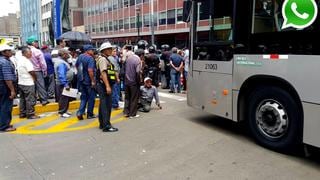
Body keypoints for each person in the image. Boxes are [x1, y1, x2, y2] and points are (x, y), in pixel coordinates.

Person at [96, 42, 118, 132]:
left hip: (103, 85)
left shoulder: (105, 59)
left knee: (103, 105)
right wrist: (107, 86)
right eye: (109, 49)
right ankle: (107, 126)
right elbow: (103, 73)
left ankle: (102, 123)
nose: (111, 50)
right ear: (104, 50)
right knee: (106, 106)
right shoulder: (103, 59)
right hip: (103, 85)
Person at [16, 47, 39, 119]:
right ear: (25, 53)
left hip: (21, 82)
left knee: (22, 99)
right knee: (30, 99)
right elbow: (31, 71)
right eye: (30, 52)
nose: (31, 54)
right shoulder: (26, 61)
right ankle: (30, 114)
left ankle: (22, 113)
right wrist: (35, 78)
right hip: (28, 82)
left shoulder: (19, 60)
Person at [76, 45, 97, 120]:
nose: (93, 51)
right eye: (91, 50)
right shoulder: (90, 58)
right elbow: (90, 70)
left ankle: (80, 112)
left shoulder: (80, 56)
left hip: (81, 80)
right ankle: (90, 114)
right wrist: (93, 81)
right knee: (91, 97)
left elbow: (77, 66)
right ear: (87, 50)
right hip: (88, 81)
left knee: (84, 97)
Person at [27, 36, 49, 106]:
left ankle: (33, 101)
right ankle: (44, 100)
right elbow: (43, 63)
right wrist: (45, 71)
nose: (37, 43)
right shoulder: (37, 51)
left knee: (31, 86)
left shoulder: (25, 51)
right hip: (37, 71)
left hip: (28, 71)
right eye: (36, 42)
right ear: (33, 43)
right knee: (40, 85)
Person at [0, 45, 17, 132]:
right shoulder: (5, 62)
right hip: (4, 85)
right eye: (8, 51)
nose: (10, 52)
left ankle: (3, 123)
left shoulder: (4, 60)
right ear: (3, 52)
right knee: (6, 106)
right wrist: (12, 90)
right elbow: (7, 78)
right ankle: (4, 126)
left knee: (2, 105)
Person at [124, 49, 143, 118]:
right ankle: (132, 114)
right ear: (141, 55)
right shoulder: (138, 60)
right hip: (133, 82)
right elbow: (138, 72)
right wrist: (139, 81)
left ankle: (126, 112)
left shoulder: (129, 58)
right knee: (134, 98)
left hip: (126, 81)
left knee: (127, 98)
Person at [54, 49, 73, 118]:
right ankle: (62, 112)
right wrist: (65, 84)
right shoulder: (61, 63)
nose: (68, 55)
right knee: (63, 98)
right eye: (67, 54)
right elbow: (61, 75)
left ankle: (65, 110)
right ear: (64, 55)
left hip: (65, 82)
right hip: (62, 84)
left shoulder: (62, 61)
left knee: (66, 97)